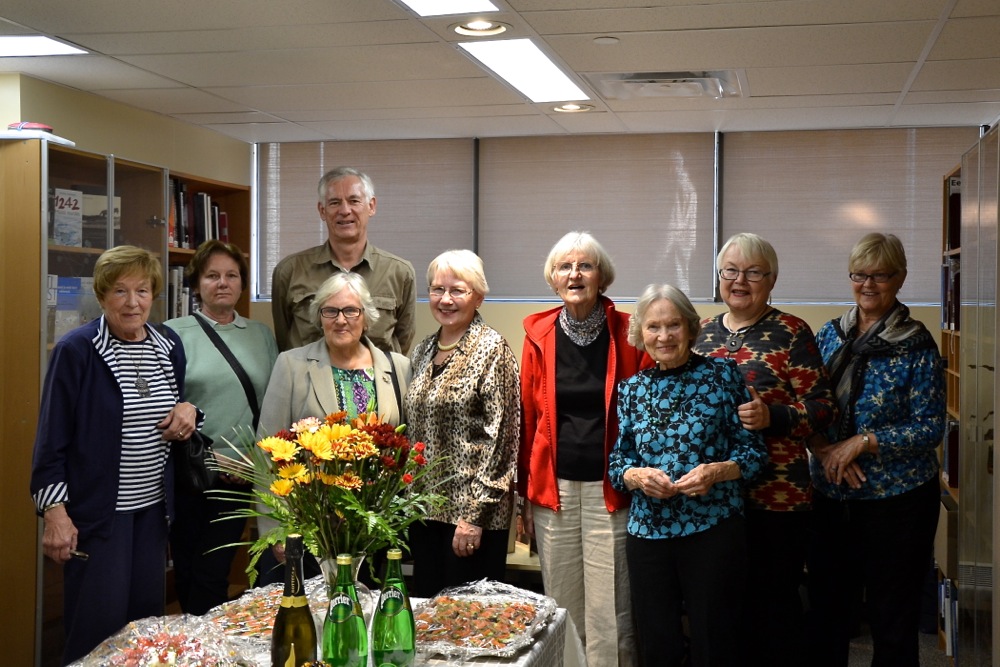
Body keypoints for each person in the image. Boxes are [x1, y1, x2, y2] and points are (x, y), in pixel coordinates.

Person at [30, 245, 200, 665]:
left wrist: (188, 410)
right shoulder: (77, 350)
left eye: (142, 291)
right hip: (99, 517)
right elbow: (51, 442)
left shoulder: (168, 344)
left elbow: (174, 406)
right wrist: (55, 514)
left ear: (154, 293)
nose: (132, 302)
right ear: (103, 296)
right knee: (96, 637)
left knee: (144, 634)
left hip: (153, 514)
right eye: (120, 291)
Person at [692, 232, 836, 665]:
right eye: (731, 271)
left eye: (754, 272)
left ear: (771, 281)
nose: (740, 280)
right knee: (723, 607)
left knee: (772, 610)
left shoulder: (792, 332)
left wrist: (775, 416)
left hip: (777, 499)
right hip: (717, 498)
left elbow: (823, 408)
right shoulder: (702, 332)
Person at [609, 283, 767, 667]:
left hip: (712, 530)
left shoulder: (724, 375)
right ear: (640, 333)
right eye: (653, 327)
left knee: (715, 640)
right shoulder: (630, 390)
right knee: (657, 644)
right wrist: (636, 476)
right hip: (648, 535)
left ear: (691, 329)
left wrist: (717, 471)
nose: (664, 336)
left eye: (674, 325)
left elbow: (754, 454)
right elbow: (617, 463)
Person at [806, 233, 944, 667]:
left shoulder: (918, 345)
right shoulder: (828, 335)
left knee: (892, 618)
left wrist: (862, 443)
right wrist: (828, 451)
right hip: (832, 495)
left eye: (880, 275)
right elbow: (808, 403)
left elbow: (930, 427)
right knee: (828, 614)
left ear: (900, 278)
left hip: (898, 504)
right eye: (859, 275)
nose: (868, 285)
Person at [519, 231, 650, 667]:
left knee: (612, 606)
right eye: (564, 267)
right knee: (561, 602)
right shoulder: (538, 334)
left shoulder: (630, 332)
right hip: (553, 489)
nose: (574, 274)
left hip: (610, 489)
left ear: (602, 277)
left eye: (585, 266)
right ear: (553, 279)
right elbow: (528, 417)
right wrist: (525, 495)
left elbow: (646, 414)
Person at [257, 271, 411, 583]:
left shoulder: (398, 368)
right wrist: (277, 529)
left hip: (372, 528)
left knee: (362, 614)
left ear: (366, 317)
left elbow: (407, 446)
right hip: (311, 524)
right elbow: (267, 451)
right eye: (331, 311)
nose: (341, 320)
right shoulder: (292, 365)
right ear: (320, 317)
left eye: (351, 310)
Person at [164, 240, 279, 615]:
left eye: (231, 275)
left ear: (243, 284)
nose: (222, 283)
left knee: (216, 569)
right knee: (189, 569)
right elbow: (164, 406)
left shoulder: (261, 335)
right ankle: (199, 647)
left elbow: (274, 403)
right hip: (193, 472)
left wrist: (252, 455)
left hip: (245, 473)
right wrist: (212, 457)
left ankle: (210, 645)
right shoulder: (171, 333)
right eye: (212, 276)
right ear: (196, 284)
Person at [404, 249, 520, 598]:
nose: (446, 299)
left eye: (458, 290)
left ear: (478, 296)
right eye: (438, 289)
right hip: (425, 515)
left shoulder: (492, 349)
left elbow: (502, 441)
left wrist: (473, 517)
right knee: (427, 621)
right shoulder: (422, 350)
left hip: (472, 520)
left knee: (468, 627)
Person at [271, 166, 416, 355]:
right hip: (308, 380)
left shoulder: (399, 272)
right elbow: (284, 338)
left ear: (371, 206)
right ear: (322, 210)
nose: (345, 210)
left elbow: (402, 342)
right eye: (334, 203)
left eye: (354, 201)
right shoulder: (289, 271)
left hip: (376, 382)